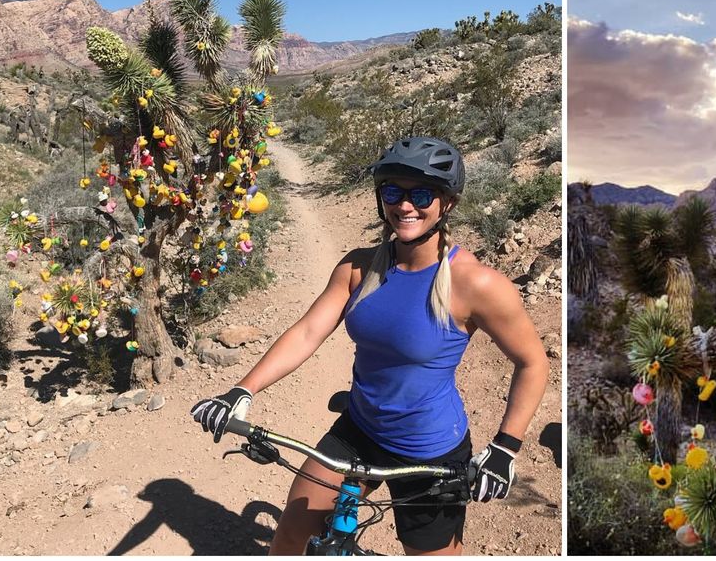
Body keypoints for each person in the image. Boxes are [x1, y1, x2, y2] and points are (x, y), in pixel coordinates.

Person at [191, 136, 550, 555]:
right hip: (359, 431)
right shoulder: (358, 268)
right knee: (291, 534)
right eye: (393, 191)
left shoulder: (477, 284)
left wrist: (505, 447)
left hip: (431, 452)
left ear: (447, 203)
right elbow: (307, 332)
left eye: (421, 194)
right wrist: (241, 391)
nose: (405, 205)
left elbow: (532, 363)